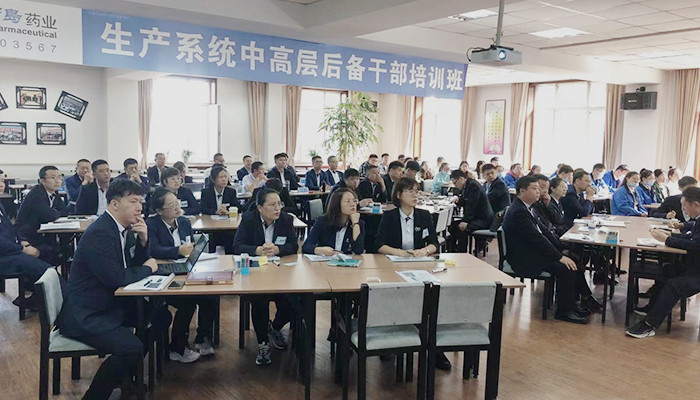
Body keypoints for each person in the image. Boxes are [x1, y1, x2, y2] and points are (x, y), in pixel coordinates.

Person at [57, 179, 166, 400]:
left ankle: (125, 376)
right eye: (133, 202)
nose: (139, 208)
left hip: (109, 302)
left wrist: (144, 240)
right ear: (115, 204)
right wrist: (147, 268)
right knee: (130, 348)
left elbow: (130, 265)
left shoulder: (121, 229)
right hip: (88, 313)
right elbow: (115, 277)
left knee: (161, 317)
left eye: (141, 202)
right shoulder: (101, 233)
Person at [375, 178, 448, 370]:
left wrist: (424, 251)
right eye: (410, 191)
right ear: (399, 195)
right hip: (393, 266)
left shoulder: (424, 215)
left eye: (417, 191)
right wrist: (399, 253)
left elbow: (434, 242)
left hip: (420, 266)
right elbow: (379, 244)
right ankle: (392, 342)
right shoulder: (389, 216)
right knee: (396, 296)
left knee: (431, 298)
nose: (415, 195)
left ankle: (435, 349)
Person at [502, 176, 594, 325]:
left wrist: (562, 247)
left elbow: (544, 231)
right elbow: (537, 239)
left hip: (532, 252)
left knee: (573, 259)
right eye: (534, 188)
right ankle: (563, 311)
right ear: (522, 191)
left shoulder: (528, 207)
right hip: (524, 258)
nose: (538, 191)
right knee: (565, 267)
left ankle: (572, 305)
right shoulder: (519, 211)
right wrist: (559, 257)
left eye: (538, 188)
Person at [146, 188, 217, 360]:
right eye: (171, 206)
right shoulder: (151, 225)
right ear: (159, 211)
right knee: (187, 301)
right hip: (163, 274)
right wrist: (177, 250)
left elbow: (190, 245)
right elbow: (153, 249)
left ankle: (202, 338)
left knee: (211, 295)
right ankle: (177, 347)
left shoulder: (184, 222)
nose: (177, 207)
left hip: (185, 270)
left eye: (177, 203)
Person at [232, 188, 298, 365]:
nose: (278, 208)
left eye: (279, 204)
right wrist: (257, 250)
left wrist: (278, 249)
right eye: (272, 205)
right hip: (255, 273)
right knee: (259, 300)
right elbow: (237, 246)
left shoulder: (286, 219)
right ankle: (263, 343)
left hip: (280, 272)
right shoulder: (248, 219)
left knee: (293, 302)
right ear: (260, 208)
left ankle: (274, 327)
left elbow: (293, 246)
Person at [626, 186, 700, 338]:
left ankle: (650, 325)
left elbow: (695, 245)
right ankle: (652, 309)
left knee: (675, 285)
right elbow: (692, 237)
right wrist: (669, 235)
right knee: (666, 270)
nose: (683, 210)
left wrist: (667, 239)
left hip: (697, 271)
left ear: (696, 205)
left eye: (685, 206)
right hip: (693, 265)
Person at [0, 177, 53, 310]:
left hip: (10, 250)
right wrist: (21, 249)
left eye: (2, 181)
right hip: (4, 256)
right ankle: (64, 305)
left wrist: (23, 242)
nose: (1, 185)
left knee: (47, 252)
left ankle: (33, 299)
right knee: (46, 271)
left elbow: (11, 229)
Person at [15, 166, 68, 265]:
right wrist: (55, 213)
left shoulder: (53, 192)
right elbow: (50, 216)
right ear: (42, 181)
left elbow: (65, 211)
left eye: (59, 177)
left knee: (64, 246)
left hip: (42, 233)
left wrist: (54, 213)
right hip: (27, 237)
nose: (57, 181)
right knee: (56, 251)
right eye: (53, 178)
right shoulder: (37, 194)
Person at [302, 188, 364, 255]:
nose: (353, 204)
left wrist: (355, 223)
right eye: (348, 201)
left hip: (347, 261)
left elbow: (358, 250)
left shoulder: (358, 223)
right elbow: (306, 247)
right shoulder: (323, 221)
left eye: (354, 201)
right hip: (325, 260)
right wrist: (320, 250)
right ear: (337, 204)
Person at [448, 170, 494, 252]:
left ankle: (461, 252)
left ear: (461, 179)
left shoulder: (473, 186)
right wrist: (458, 200)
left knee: (461, 228)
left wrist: (465, 221)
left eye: (455, 183)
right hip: (476, 217)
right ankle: (453, 250)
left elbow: (472, 206)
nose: (455, 186)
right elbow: (466, 201)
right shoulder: (468, 185)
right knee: (452, 226)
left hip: (483, 219)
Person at [201, 166, 238, 253]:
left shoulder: (231, 192)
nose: (224, 179)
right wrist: (215, 212)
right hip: (211, 224)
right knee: (212, 236)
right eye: (221, 177)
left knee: (231, 235)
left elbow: (237, 207)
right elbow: (203, 208)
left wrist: (228, 212)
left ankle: (230, 256)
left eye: (225, 177)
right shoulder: (206, 192)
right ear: (214, 179)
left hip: (228, 224)